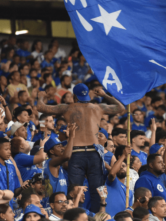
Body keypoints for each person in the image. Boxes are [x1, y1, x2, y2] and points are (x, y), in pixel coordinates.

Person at [37, 83, 125, 213]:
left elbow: (41, 108)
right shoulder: (97, 107)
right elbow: (120, 108)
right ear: (87, 95)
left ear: (74, 96)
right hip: (95, 154)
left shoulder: (67, 108)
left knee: (74, 190)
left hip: (77, 153)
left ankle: (73, 218)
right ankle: (98, 219)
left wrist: (40, 96)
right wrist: (104, 95)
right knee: (98, 191)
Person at [135, 153, 166, 221]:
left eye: (163, 162)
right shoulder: (145, 179)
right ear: (151, 165)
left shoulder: (156, 179)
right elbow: (145, 204)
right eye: (159, 162)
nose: (163, 164)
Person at [43, 124, 76, 195]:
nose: (62, 148)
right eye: (59, 147)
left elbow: (68, 152)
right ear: (51, 151)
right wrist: (71, 137)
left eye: (62, 146)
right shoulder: (51, 162)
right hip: (53, 204)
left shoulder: (60, 165)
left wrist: (67, 138)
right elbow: (66, 156)